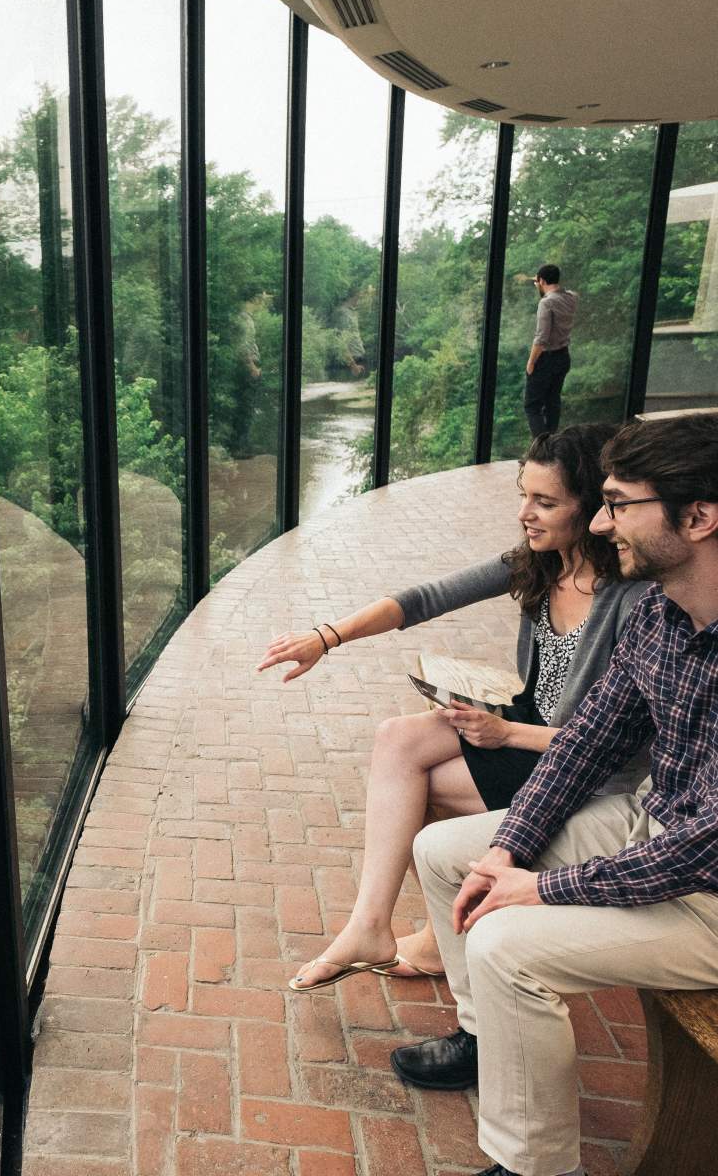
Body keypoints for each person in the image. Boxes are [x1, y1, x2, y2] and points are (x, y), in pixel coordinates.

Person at [392, 412, 718, 1176]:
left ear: (698, 517)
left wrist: (540, 886)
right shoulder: (666, 615)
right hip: (653, 831)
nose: (603, 525)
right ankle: (485, 1039)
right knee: (446, 853)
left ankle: (535, 1167)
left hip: (708, 888)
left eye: (619, 504)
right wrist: (508, 848)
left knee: (508, 943)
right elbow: (586, 741)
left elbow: (704, 848)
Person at [257, 424, 648, 990]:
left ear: (591, 508)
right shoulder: (540, 563)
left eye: (544, 501)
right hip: (530, 723)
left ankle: (443, 934)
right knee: (398, 736)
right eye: (523, 495)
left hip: (581, 765)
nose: (525, 513)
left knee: (426, 787)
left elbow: (620, 744)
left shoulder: (631, 597)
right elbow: (426, 598)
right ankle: (373, 925)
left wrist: (503, 733)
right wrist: (326, 637)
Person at [525, 264, 578, 438]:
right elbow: (563, 291)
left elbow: (541, 338)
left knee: (532, 406)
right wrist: (538, 280)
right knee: (552, 402)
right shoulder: (572, 298)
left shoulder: (546, 303)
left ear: (542, 281)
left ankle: (542, 450)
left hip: (546, 359)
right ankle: (552, 446)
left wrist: (531, 362)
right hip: (563, 356)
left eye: (538, 281)